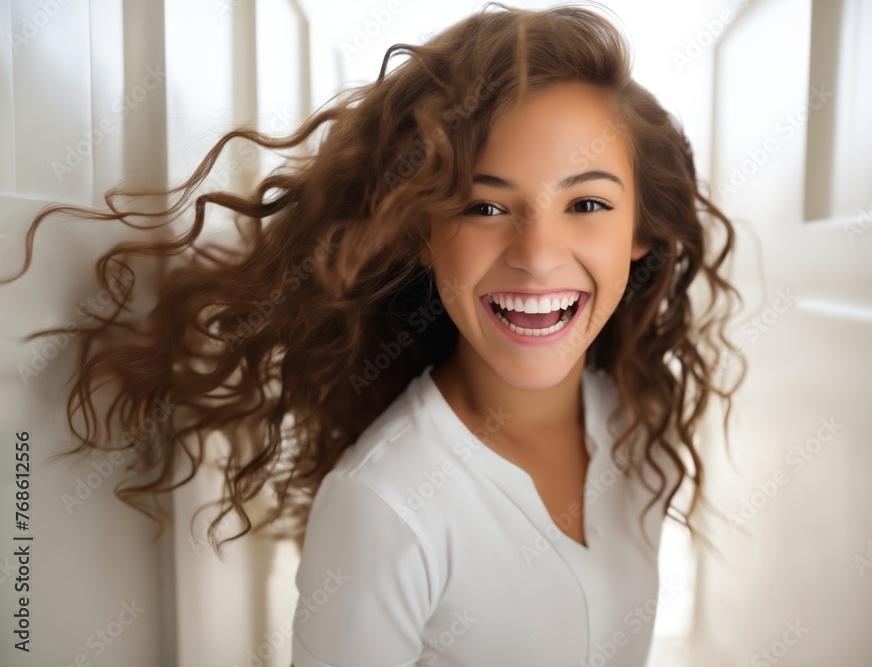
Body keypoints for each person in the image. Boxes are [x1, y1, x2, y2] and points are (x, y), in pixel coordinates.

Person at [0, 3, 744, 665]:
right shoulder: (384, 507)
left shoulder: (634, 414)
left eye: (586, 204)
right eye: (484, 208)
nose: (537, 255)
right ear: (420, 231)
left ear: (643, 231)